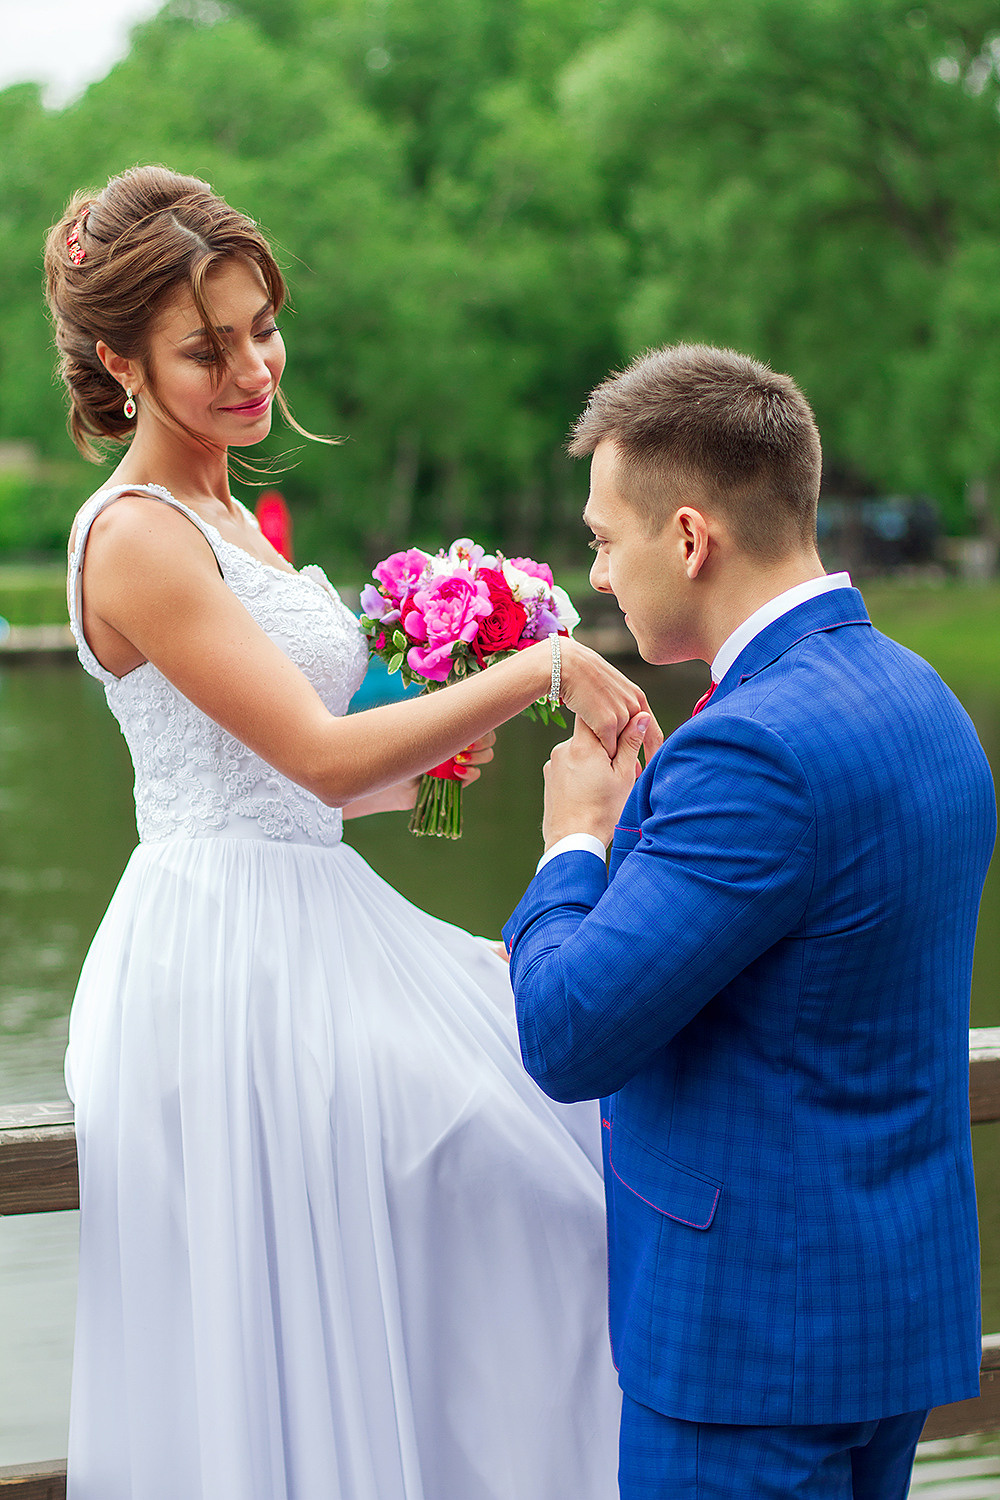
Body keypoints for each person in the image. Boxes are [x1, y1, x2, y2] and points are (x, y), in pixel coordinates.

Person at [48, 164, 661, 1500]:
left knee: (555, 1150)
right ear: (120, 362)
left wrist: (438, 757)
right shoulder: (140, 538)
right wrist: (541, 665)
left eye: (262, 327)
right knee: (485, 1180)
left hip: (306, 908)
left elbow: (327, 784)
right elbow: (319, 765)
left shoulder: (232, 523)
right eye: (206, 348)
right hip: (220, 958)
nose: (253, 366)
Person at [503, 344, 997, 1499]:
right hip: (888, 1319)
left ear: (687, 538)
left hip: (751, 1347)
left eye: (603, 539)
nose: (600, 577)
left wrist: (574, 837)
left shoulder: (751, 748)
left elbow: (568, 1034)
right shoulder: (921, 697)